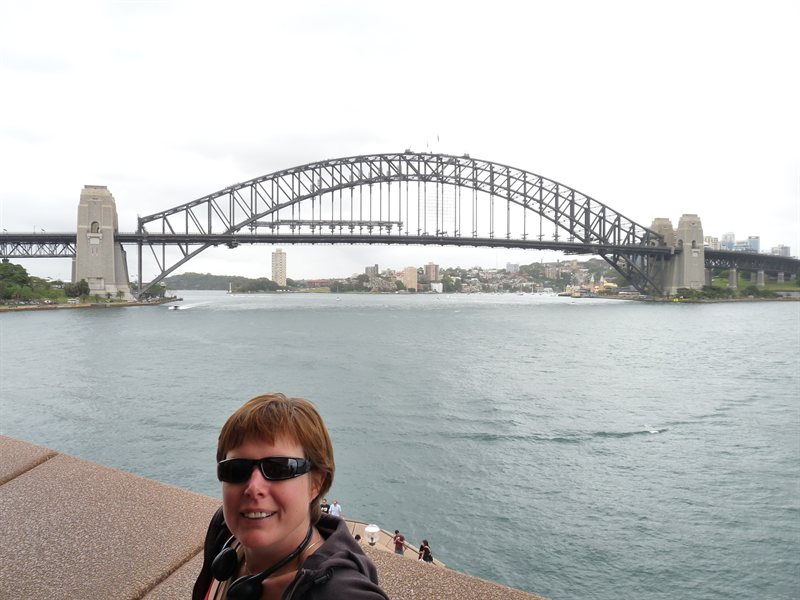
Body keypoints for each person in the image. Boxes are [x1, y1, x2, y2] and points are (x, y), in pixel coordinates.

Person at [192, 393, 389, 600]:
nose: (253, 487)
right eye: (236, 469)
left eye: (278, 469)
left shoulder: (341, 593)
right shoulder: (224, 530)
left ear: (315, 483)